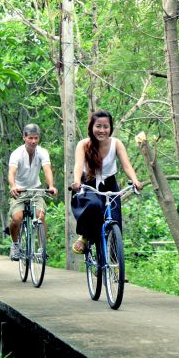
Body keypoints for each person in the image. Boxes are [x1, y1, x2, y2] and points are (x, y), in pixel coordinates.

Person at [70, 109, 143, 254]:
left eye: (106, 126)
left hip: (110, 184)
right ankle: (85, 236)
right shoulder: (83, 144)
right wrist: (77, 182)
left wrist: (135, 181)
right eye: (98, 126)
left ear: (110, 128)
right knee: (94, 205)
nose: (102, 130)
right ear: (91, 127)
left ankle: (116, 266)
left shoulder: (116, 143)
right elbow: (78, 165)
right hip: (88, 183)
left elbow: (126, 165)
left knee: (114, 221)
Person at [7, 124, 58, 261]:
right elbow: (11, 172)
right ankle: (15, 244)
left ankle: (42, 249)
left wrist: (51, 186)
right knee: (17, 218)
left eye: (36, 138)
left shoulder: (42, 152)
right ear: (24, 137)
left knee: (40, 216)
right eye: (30, 138)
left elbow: (47, 169)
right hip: (20, 191)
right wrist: (13, 186)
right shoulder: (17, 153)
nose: (33, 141)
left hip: (35, 190)